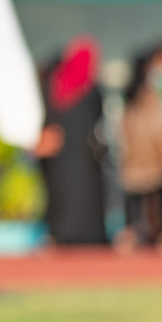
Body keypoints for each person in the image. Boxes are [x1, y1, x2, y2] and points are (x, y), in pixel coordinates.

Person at [34, 36, 108, 245]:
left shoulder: (53, 83)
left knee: (62, 195)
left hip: (61, 157)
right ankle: (84, 234)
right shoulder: (92, 89)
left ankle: (61, 233)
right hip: (83, 156)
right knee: (83, 195)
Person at [117, 52, 162, 250]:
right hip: (151, 156)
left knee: (135, 199)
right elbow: (157, 126)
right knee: (161, 196)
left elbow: (123, 127)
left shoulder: (127, 95)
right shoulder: (151, 94)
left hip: (133, 157)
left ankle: (131, 232)